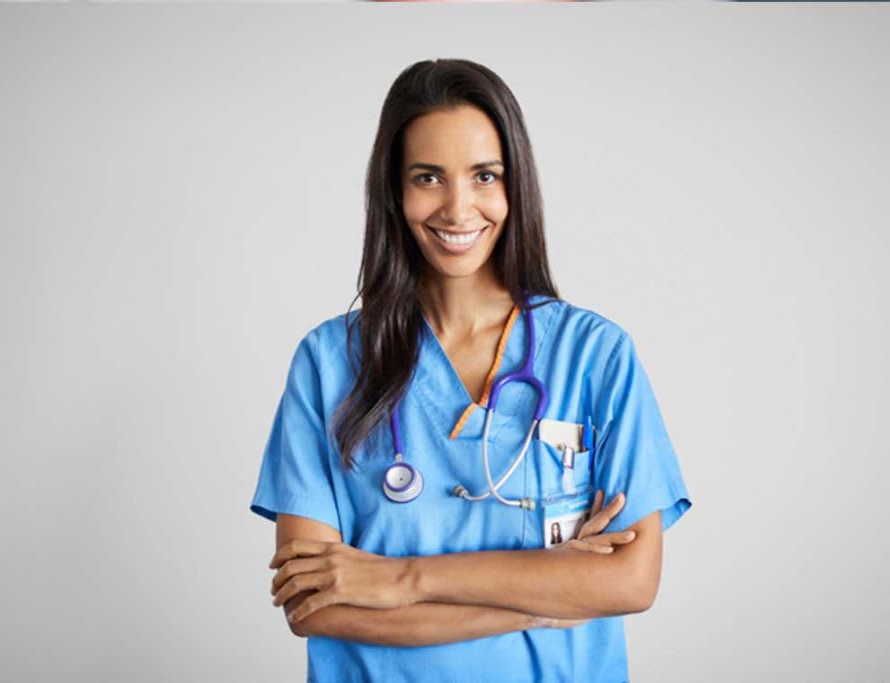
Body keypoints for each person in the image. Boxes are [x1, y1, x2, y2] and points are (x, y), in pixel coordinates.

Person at [250, 57, 692, 682]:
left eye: (485, 175)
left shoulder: (595, 355)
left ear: (516, 188)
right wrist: (546, 596)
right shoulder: (328, 364)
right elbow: (312, 605)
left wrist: (397, 579)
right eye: (428, 177)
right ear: (394, 192)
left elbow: (630, 579)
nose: (458, 208)